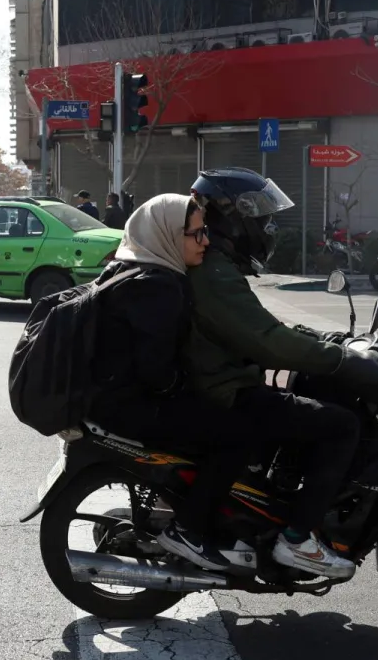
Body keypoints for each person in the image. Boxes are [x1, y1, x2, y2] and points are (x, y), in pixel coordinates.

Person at [185, 167, 362, 580]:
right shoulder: (212, 271)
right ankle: (297, 539)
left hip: (220, 380)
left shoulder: (218, 266)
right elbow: (265, 339)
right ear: (232, 217)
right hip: (225, 391)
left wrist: (324, 339)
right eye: (260, 217)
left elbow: (258, 326)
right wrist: (337, 359)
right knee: (341, 426)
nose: (267, 226)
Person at [88, 193, 250, 571]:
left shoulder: (132, 267)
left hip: (113, 398)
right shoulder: (158, 286)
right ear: (166, 236)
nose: (205, 241)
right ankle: (189, 530)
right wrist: (188, 387)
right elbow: (155, 370)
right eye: (195, 234)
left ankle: (178, 507)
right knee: (238, 434)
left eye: (204, 232)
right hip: (131, 407)